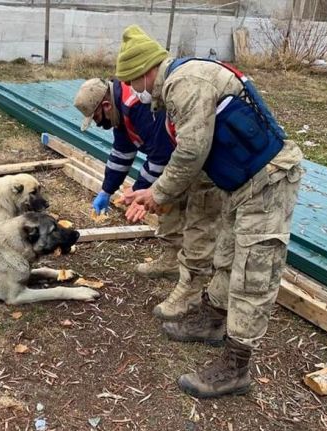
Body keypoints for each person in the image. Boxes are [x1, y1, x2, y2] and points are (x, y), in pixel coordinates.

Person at [116, 25, 304, 398]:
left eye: (132, 81)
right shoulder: (175, 87)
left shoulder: (185, 82)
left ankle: (236, 367)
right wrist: (153, 191)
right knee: (227, 255)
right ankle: (213, 320)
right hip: (240, 183)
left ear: (145, 71)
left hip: (267, 181)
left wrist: (159, 194)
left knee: (252, 273)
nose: (133, 91)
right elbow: (191, 152)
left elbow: (192, 150)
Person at [74, 77, 221, 320]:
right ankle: (172, 259)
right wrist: (106, 190)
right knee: (164, 200)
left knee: (196, 215)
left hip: (200, 158)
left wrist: (141, 191)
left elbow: (160, 156)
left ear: (106, 106)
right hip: (177, 160)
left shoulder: (139, 107)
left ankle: (192, 290)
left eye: (97, 118)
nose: (100, 124)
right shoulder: (120, 112)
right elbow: (121, 153)